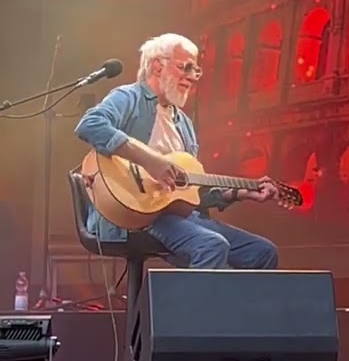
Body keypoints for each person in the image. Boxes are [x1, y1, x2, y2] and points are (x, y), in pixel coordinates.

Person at [75, 33, 280, 270]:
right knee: (211, 246)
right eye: (186, 67)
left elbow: (190, 194)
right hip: (134, 215)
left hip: (177, 216)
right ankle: (193, 308)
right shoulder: (128, 97)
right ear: (157, 66)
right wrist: (150, 161)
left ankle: (228, 308)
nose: (192, 77)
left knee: (262, 252)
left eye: (196, 71)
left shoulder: (184, 124)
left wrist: (240, 194)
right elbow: (90, 125)